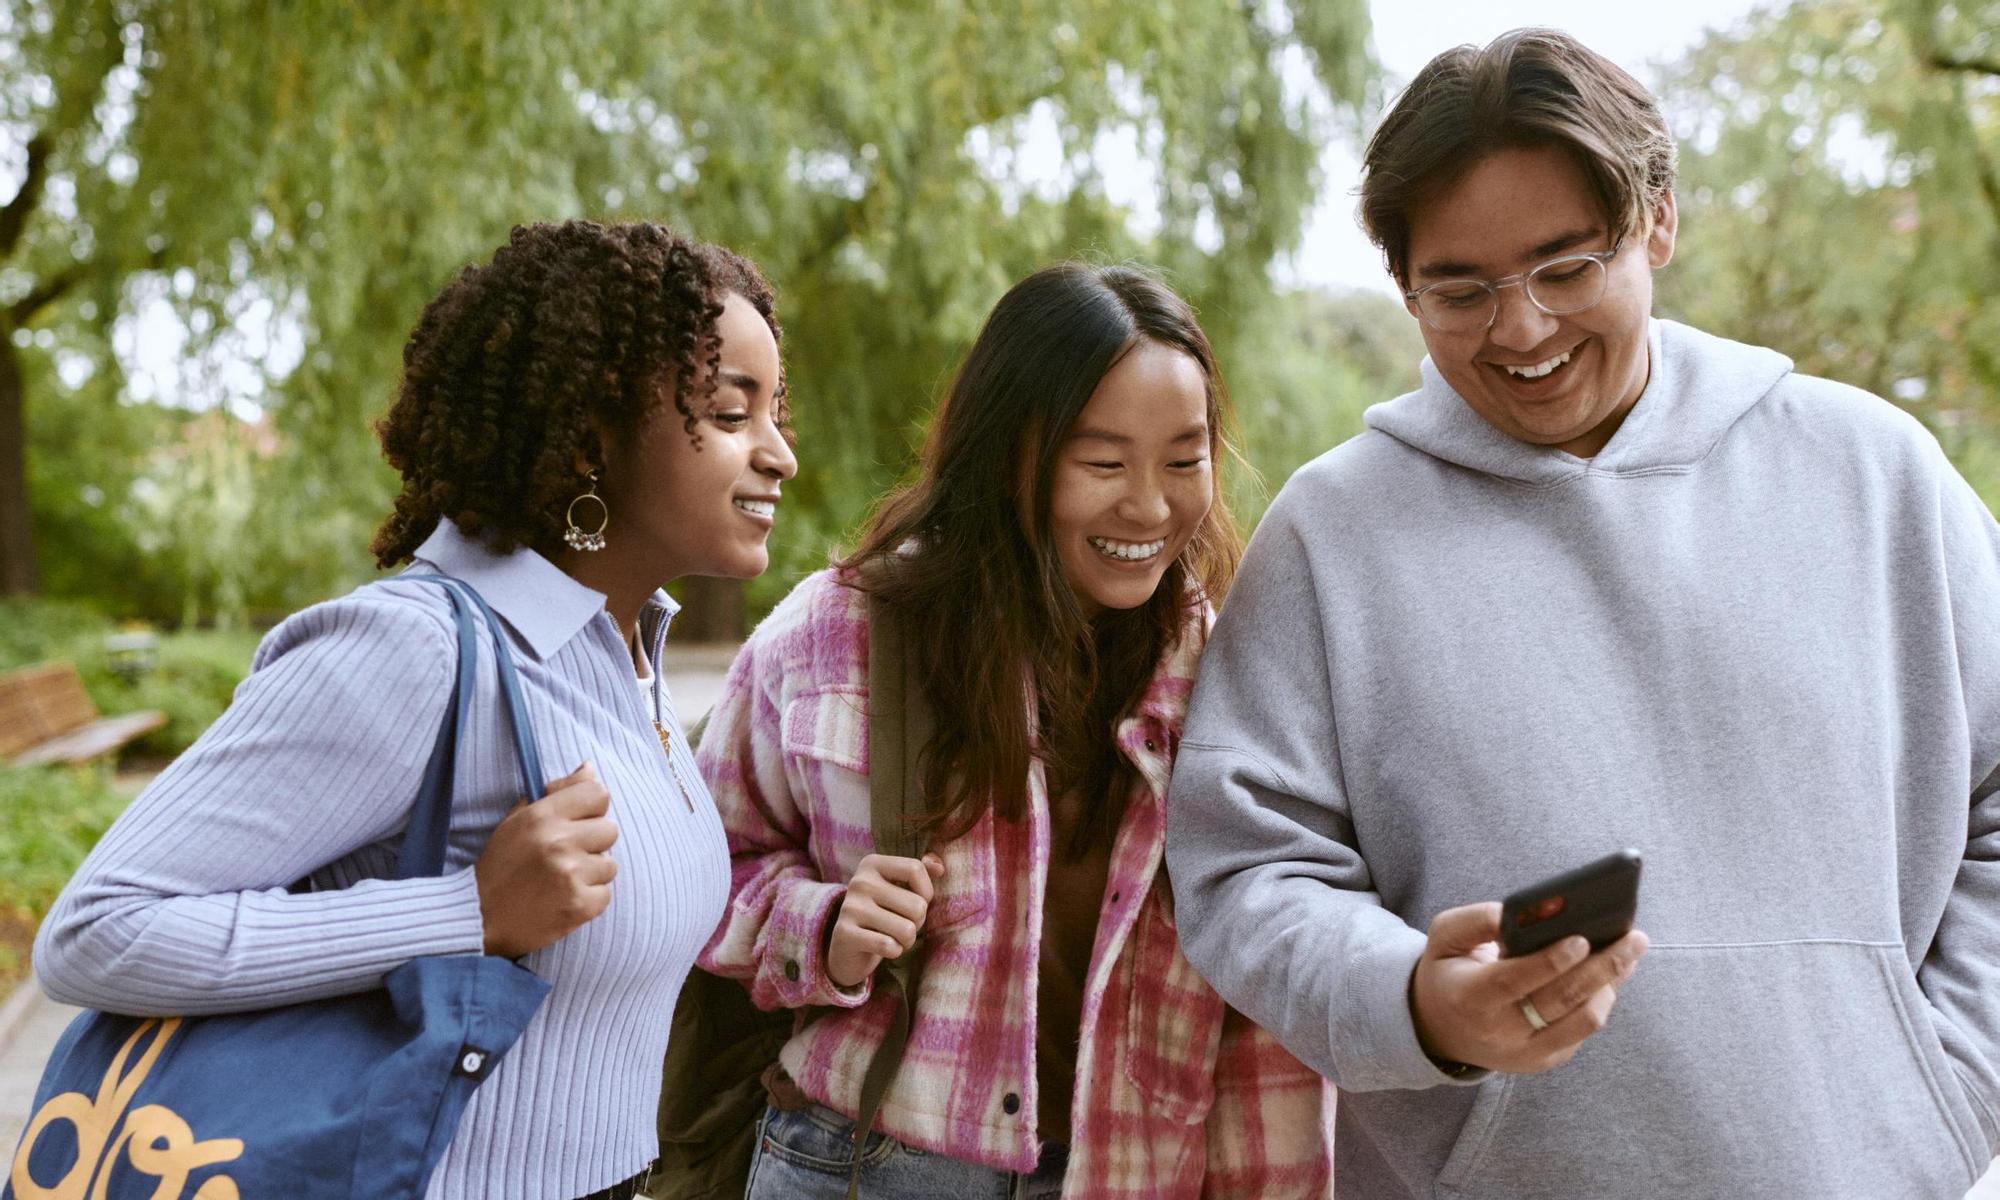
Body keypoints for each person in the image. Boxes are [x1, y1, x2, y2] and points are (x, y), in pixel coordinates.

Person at [1164, 27, 2000, 1200]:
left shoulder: (1874, 476)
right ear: (1403, 286)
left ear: (1655, 219)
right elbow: (1243, 875)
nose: (1520, 329)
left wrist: (1944, 1089)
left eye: (1565, 268)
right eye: (1460, 290)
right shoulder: (1332, 534)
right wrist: (1411, 1001)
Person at [33, 219, 798, 1200]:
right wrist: (463, 914)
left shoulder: (618, 654)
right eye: (731, 413)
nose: (777, 453)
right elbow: (98, 930)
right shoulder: (418, 648)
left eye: (776, 412)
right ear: (592, 428)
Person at [695, 262, 1333, 1199]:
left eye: (1185, 459)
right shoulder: (840, 635)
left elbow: (1257, 1011)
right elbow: (700, 873)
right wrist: (820, 928)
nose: (1151, 507)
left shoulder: (1233, 674)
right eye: (1104, 462)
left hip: (1127, 1175)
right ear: (1009, 455)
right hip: (866, 1166)